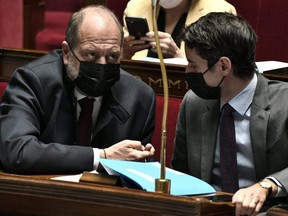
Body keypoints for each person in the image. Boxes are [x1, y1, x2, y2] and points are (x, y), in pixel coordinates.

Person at [0, 5, 156, 174]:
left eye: (112, 56)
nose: (102, 65)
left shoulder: (139, 97)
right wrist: (101, 156)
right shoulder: (33, 81)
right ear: (67, 53)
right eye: (91, 54)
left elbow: (139, 173)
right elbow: (16, 151)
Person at [171, 12, 288, 216]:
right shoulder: (194, 103)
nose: (187, 71)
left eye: (192, 64)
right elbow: (180, 173)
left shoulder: (284, 102)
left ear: (224, 66)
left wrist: (268, 185)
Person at [121, 0, 236, 60]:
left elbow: (219, 70)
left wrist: (177, 56)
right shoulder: (135, 6)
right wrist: (125, 53)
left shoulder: (220, 12)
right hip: (143, 86)